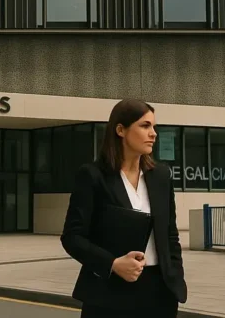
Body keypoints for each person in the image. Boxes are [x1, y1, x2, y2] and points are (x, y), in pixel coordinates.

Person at [61, 99, 187, 318]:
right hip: (108, 294)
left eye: (154, 127)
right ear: (120, 130)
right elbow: (72, 237)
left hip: (159, 294)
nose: (153, 133)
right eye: (145, 126)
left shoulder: (160, 176)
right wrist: (112, 264)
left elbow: (170, 234)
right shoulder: (93, 175)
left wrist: (175, 276)